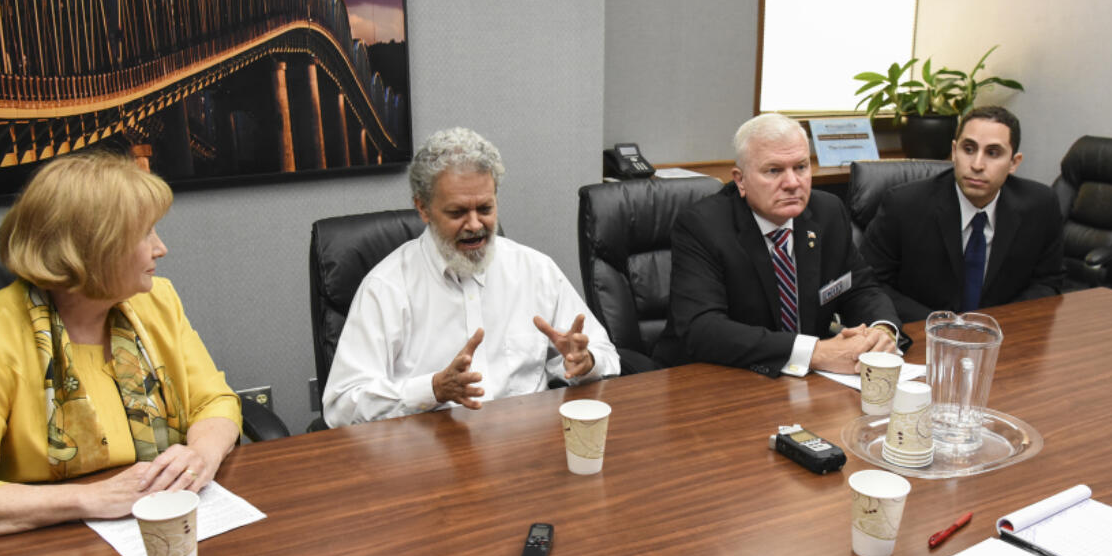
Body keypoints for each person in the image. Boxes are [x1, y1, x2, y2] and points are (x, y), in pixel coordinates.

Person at [0, 152, 241, 546]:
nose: (160, 248)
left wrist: (200, 455)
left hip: (166, 532)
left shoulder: (156, 301)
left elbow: (216, 401)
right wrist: (89, 498)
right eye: (145, 233)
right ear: (93, 249)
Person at [322, 127, 619, 427]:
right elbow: (341, 407)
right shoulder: (386, 287)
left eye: (486, 208)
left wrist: (586, 363)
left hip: (527, 449)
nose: (475, 224)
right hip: (428, 455)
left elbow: (607, 356)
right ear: (423, 208)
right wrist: (432, 390)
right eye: (457, 212)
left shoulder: (535, 269)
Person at [655, 112, 900, 376]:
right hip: (716, 378)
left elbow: (859, 288)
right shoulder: (702, 226)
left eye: (801, 167)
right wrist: (815, 353)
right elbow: (702, 328)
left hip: (808, 382)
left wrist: (881, 330)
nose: (793, 183)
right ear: (740, 179)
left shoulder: (828, 212)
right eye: (774, 171)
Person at [860, 106, 1064, 322]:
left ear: (1014, 162)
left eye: (993, 153)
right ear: (954, 151)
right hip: (923, 334)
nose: (977, 165)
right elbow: (869, 283)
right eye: (968, 149)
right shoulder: (903, 205)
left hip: (1002, 336)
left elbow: (1048, 282)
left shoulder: (1041, 205)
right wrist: (942, 325)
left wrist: (997, 322)